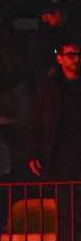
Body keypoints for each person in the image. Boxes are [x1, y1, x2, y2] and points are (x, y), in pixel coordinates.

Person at [29, 38, 81, 181]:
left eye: (79, 55)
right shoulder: (49, 88)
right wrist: (33, 153)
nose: (76, 59)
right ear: (60, 59)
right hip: (58, 155)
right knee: (64, 198)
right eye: (71, 55)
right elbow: (35, 121)